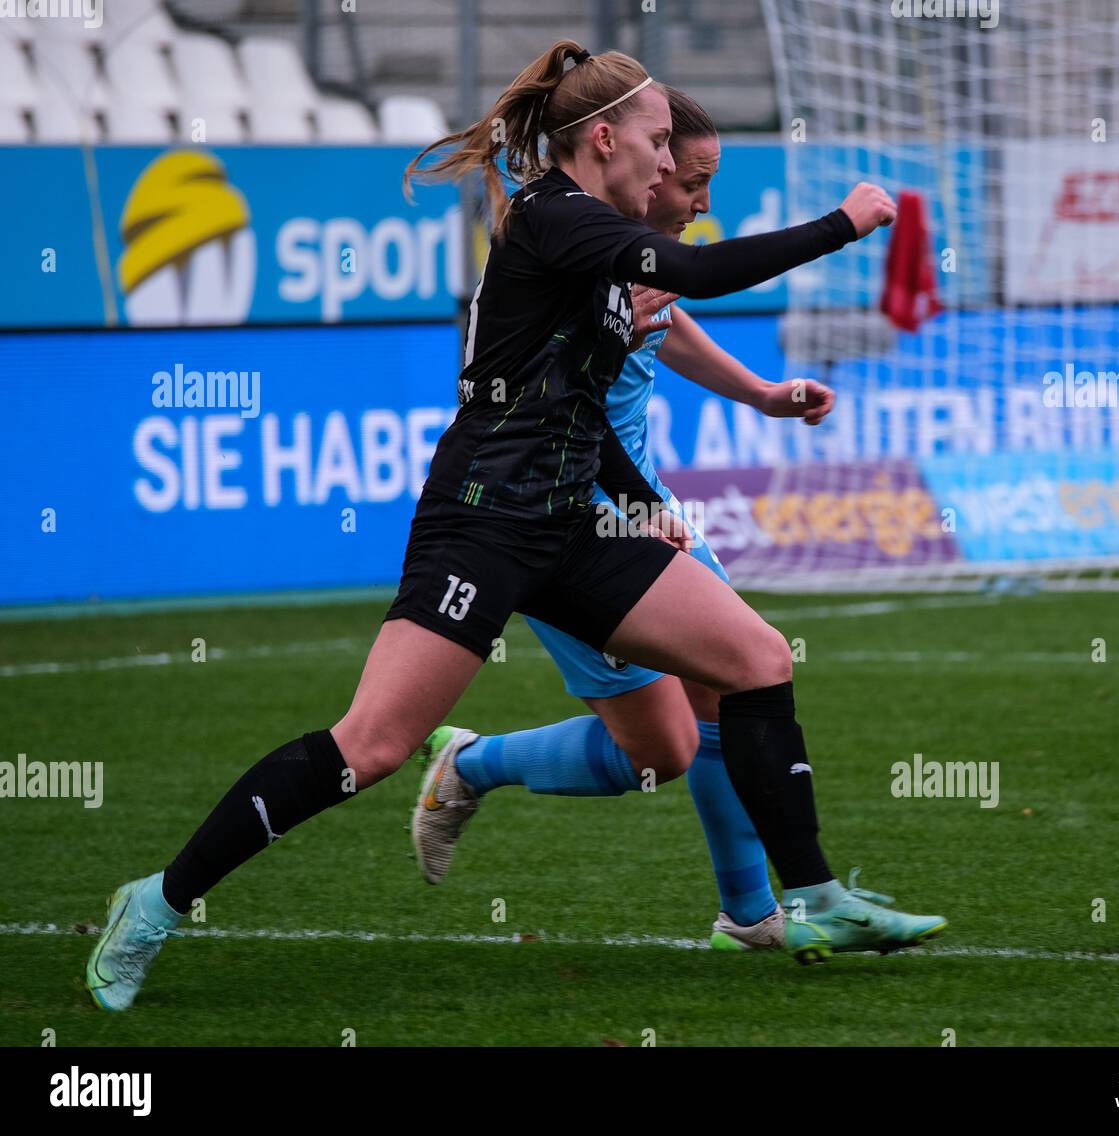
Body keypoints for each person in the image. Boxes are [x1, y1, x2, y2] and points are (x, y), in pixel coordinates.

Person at [86, 40, 944, 1012]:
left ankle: (815, 897)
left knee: (752, 657)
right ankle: (155, 899)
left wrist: (641, 497)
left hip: (575, 519)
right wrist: (845, 221)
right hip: (484, 520)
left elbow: (575, 392)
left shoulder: (593, 232)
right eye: (660, 145)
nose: (670, 168)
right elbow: (698, 272)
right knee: (367, 745)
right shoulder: (557, 217)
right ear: (605, 137)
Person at [410, 86, 841, 952]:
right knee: (703, 708)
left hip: (640, 507)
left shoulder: (618, 245)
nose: (701, 202)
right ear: (644, 166)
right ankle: (754, 912)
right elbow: (591, 356)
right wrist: (844, 222)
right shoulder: (584, 238)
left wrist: (758, 394)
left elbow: (664, 321)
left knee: (671, 742)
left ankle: (477, 765)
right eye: (694, 181)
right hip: (569, 514)